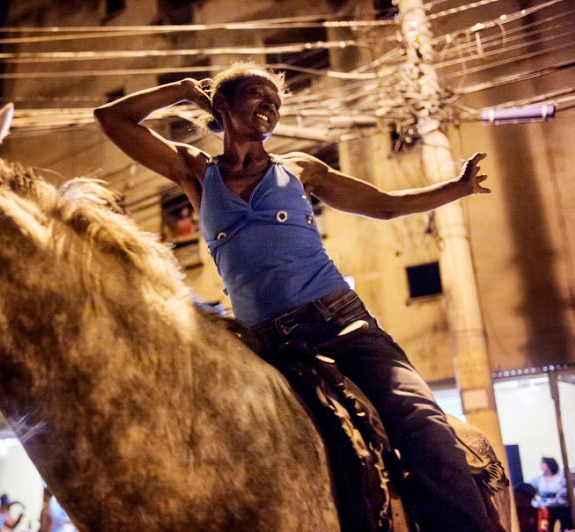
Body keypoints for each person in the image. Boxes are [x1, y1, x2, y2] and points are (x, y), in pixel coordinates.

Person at [94, 61, 493, 532]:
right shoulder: (196, 172)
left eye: (276, 104)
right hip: (263, 346)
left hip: (341, 325)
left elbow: (385, 206)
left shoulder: (300, 169)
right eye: (258, 97)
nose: (271, 108)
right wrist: (182, 90)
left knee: (421, 420)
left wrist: (457, 188)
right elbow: (111, 118)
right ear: (222, 105)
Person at [530, 457, 573, 532]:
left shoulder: (560, 478)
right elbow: (530, 488)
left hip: (560, 506)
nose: (541, 465)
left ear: (548, 465)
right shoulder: (539, 479)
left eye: (543, 463)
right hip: (545, 507)